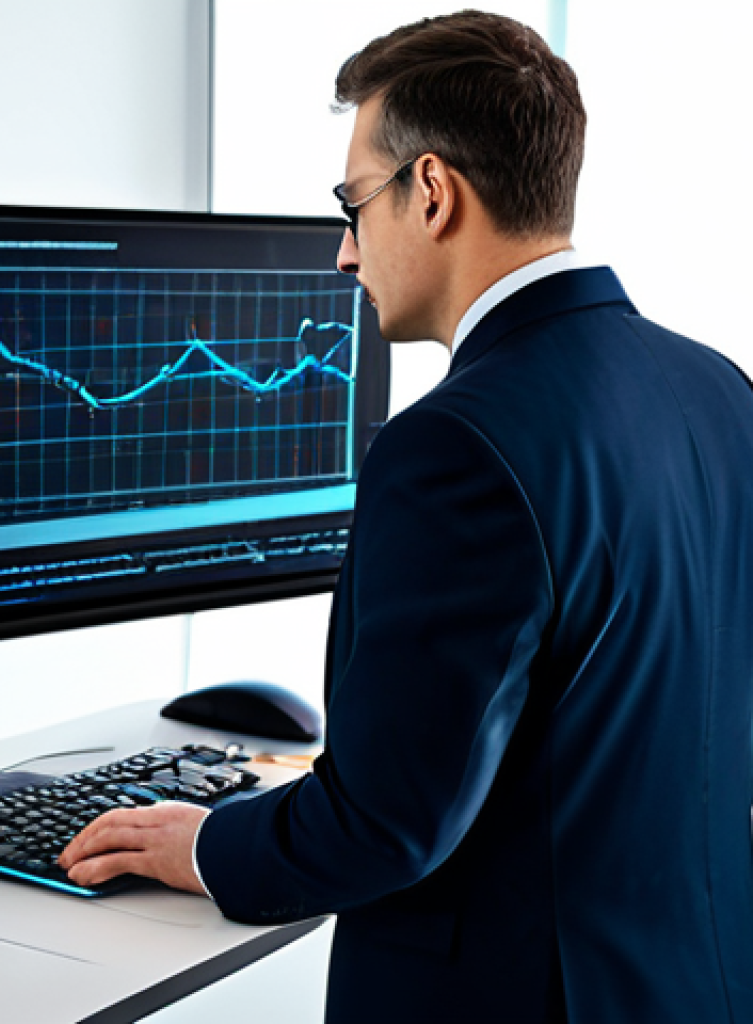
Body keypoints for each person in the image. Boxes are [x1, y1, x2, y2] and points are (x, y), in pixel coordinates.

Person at [61, 12, 753, 1022]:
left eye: (352, 205)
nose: (344, 253)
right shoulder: (716, 388)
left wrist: (206, 843)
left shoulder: (456, 443)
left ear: (430, 191)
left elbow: (383, 823)